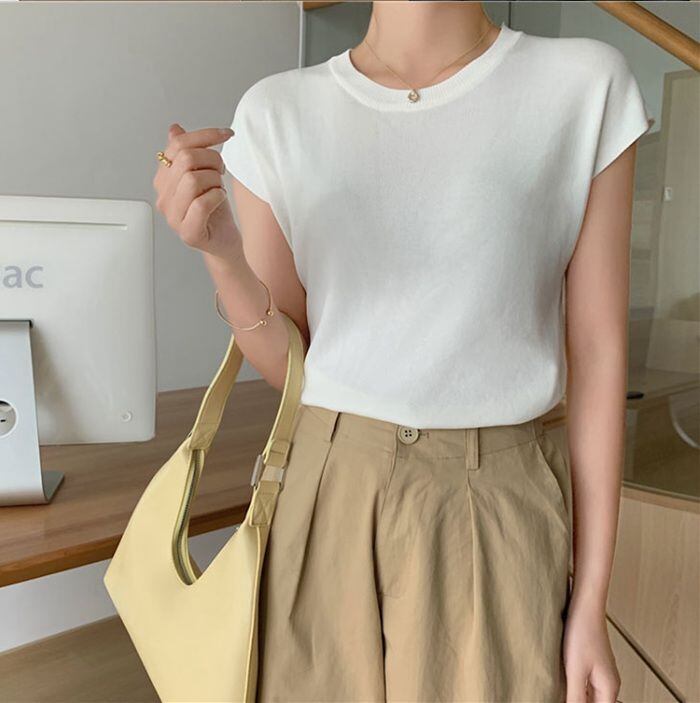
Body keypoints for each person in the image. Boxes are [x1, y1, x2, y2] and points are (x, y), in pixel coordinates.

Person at [152, 2, 652, 701]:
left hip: (495, 501)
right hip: (325, 491)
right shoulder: (276, 112)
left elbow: (598, 354)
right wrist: (222, 255)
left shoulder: (582, 85)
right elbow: (290, 365)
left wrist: (591, 599)